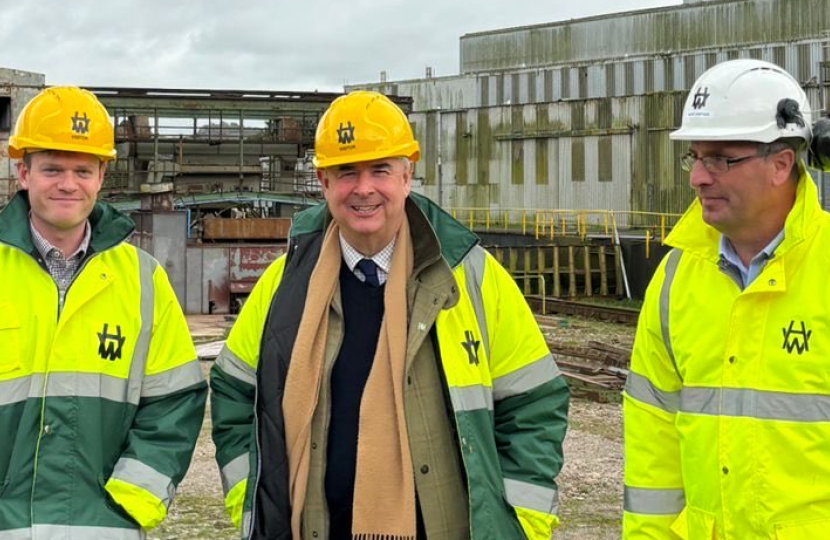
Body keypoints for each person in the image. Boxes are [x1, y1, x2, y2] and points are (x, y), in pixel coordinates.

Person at [210, 90, 569, 540]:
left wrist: (516, 521)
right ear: (323, 183)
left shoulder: (470, 278)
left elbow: (535, 402)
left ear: (406, 175)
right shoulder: (286, 285)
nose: (364, 189)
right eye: (347, 173)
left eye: (380, 169)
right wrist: (250, 495)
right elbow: (233, 391)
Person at [623, 59, 830, 539]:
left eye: (720, 159)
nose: (697, 177)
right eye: (694, 157)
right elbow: (653, 444)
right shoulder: (676, 276)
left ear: (781, 163)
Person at [0, 87, 207, 539]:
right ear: (23, 172)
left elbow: (174, 401)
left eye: (82, 170)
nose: (67, 184)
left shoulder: (142, 279)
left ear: (101, 176)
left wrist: (128, 504)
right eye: (52, 168)